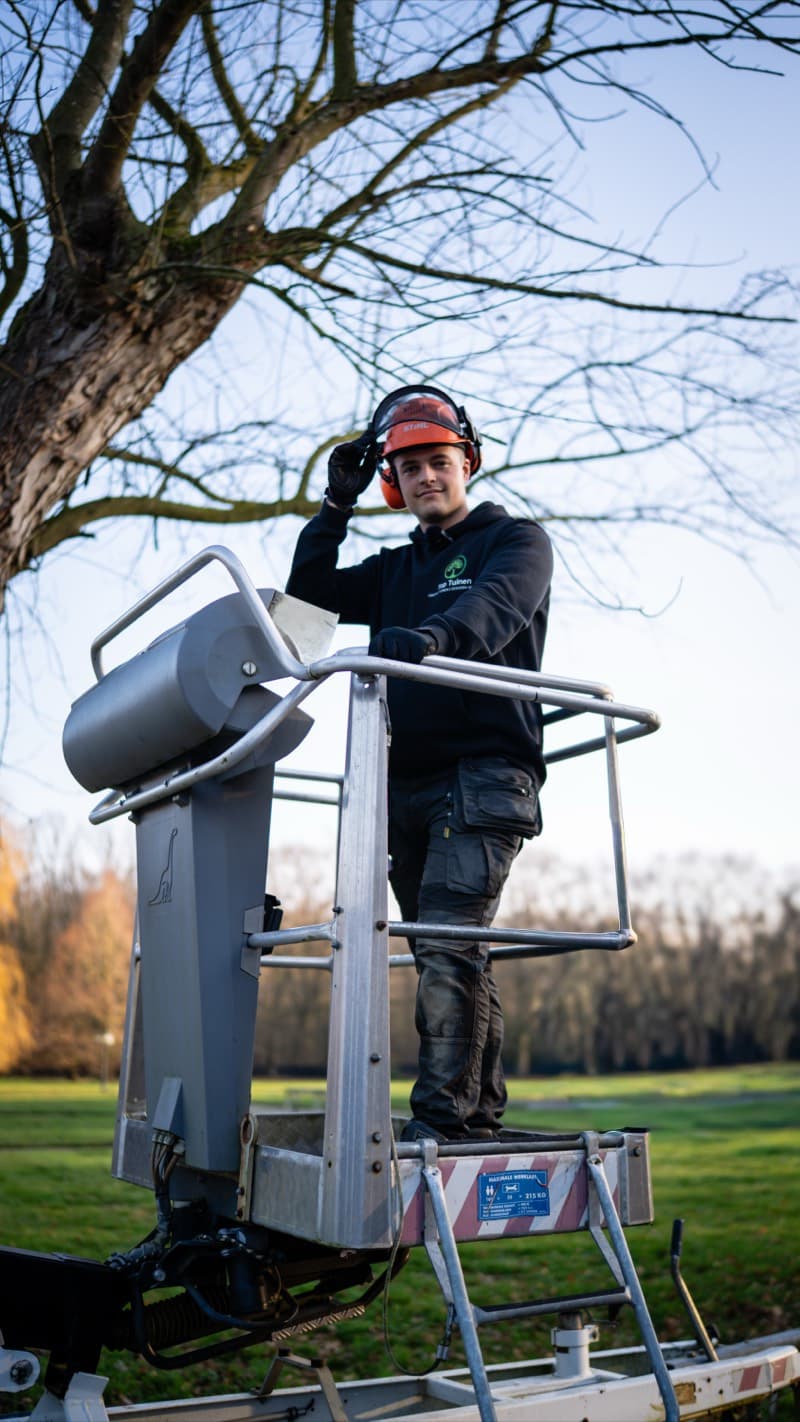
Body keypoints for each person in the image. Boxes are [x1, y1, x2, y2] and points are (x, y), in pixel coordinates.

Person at [287, 386, 553, 1143]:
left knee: (445, 943)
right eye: (409, 467)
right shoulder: (394, 568)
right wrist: (333, 509)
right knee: (449, 949)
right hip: (401, 782)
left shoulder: (517, 541)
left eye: (439, 460)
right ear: (392, 484)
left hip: (485, 777)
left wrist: (431, 639)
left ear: (467, 463)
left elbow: (494, 610)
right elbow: (308, 601)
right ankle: (477, 1114)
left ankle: (439, 1123)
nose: (427, 476)